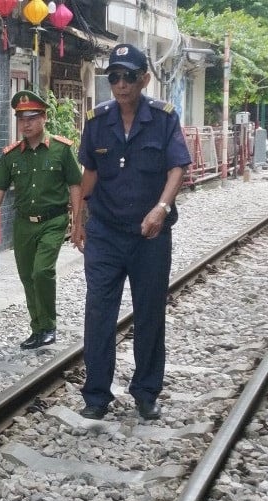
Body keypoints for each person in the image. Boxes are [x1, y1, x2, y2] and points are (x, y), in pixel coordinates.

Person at [71, 44, 192, 421]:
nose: (120, 85)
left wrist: (162, 207)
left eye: (128, 77)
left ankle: (145, 391)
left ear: (144, 78)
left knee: (150, 313)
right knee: (99, 312)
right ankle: (96, 395)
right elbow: (88, 173)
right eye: (114, 77)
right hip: (106, 232)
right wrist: (78, 218)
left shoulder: (164, 118)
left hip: (149, 235)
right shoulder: (97, 120)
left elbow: (177, 167)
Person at [0, 89, 83, 349]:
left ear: (44, 118)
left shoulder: (61, 150)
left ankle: (48, 327)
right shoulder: (12, 155)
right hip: (23, 224)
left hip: (53, 220)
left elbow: (75, 186)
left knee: (42, 271)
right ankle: (37, 328)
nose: (25, 124)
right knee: (27, 276)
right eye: (21, 119)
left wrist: (78, 221)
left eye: (32, 118)